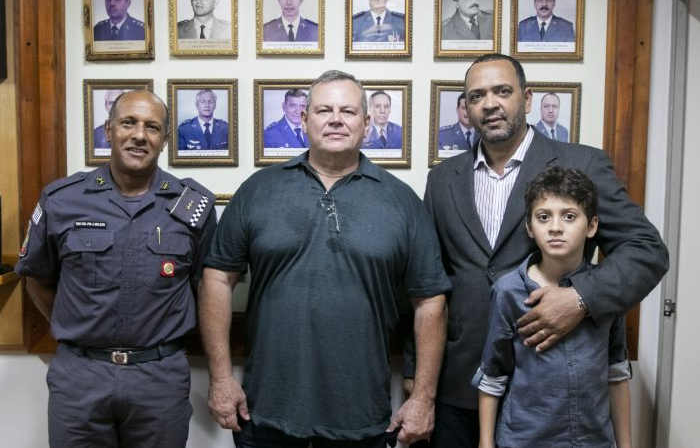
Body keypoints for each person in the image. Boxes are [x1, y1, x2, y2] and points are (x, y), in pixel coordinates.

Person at [411, 53, 668, 448]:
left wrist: (581, 298)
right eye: (477, 96)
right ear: (467, 108)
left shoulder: (582, 163)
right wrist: (417, 378)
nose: (490, 104)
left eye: (502, 91)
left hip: (553, 393)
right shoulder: (443, 178)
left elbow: (646, 249)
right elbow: (428, 281)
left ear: (527, 98)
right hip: (462, 387)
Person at [198, 69, 451, 447]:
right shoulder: (258, 190)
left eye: (348, 111)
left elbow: (430, 300)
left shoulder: (402, 202)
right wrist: (220, 378)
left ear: (367, 123)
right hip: (265, 413)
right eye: (323, 110)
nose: (335, 119)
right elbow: (217, 278)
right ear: (304, 120)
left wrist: (424, 398)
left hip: (361, 418)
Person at [15, 90, 217, 447]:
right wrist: (78, 330)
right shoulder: (63, 200)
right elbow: (37, 278)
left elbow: (207, 287)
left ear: (165, 139)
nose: (139, 135)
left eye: (152, 127)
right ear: (108, 131)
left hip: (159, 378)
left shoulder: (192, 205)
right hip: (80, 378)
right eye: (128, 123)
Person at [473, 166, 632, 448]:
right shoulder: (509, 292)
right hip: (524, 440)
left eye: (569, 216)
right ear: (529, 227)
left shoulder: (606, 289)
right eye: (543, 217)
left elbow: (616, 373)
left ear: (591, 226)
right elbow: (493, 376)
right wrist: (486, 444)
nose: (555, 227)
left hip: (592, 441)